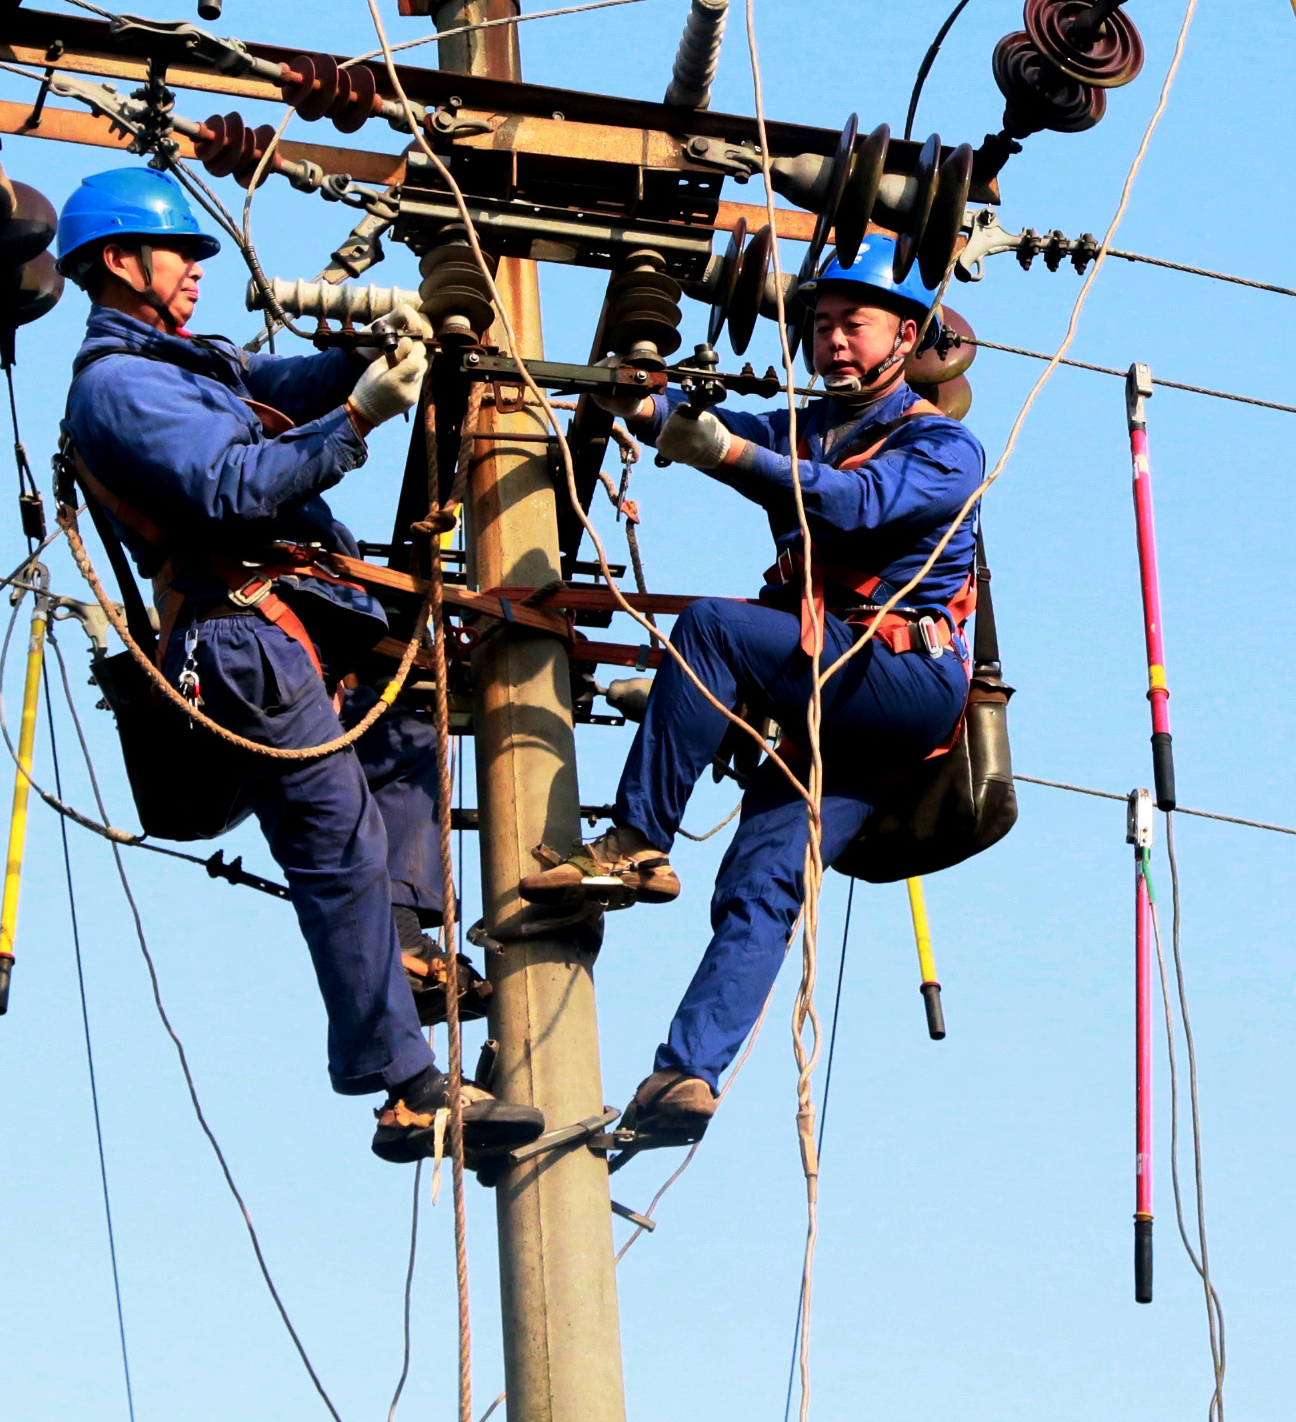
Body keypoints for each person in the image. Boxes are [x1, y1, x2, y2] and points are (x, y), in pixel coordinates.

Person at [56, 165, 537, 1164]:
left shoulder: (192, 365)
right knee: (334, 838)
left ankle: (402, 946)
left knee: (408, 712)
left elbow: (280, 389)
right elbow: (233, 489)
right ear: (117, 261)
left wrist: (374, 352)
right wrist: (359, 417)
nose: (194, 271)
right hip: (243, 632)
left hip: (304, 609)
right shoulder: (119, 388)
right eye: (178, 254)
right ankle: (404, 1088)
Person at [516, 249, 986, 1149]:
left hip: (899, 682)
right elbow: (715, 423)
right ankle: (687, 1076)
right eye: (820, 326)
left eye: (854, 325)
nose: (834, 342)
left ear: (908, 336)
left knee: (715, 628)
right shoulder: (806, 426)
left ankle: (635, 842)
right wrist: (643, 403)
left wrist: (726, 453)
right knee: (759, 885)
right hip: (833, 710)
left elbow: (849, 507)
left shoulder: (941, 445)